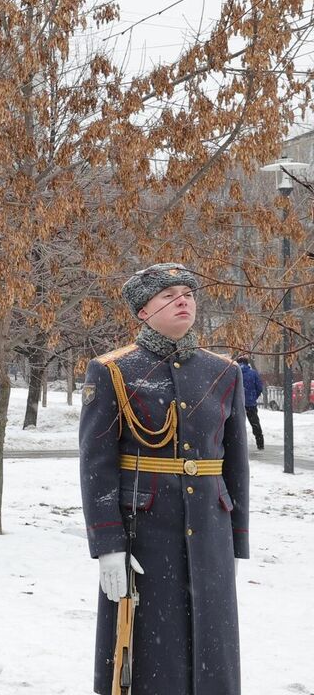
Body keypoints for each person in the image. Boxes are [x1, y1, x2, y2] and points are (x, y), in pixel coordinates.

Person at [79, 263, 247, 695]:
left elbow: (234, 461)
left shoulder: (223, 372)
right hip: (146, 532)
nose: (183, 300)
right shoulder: (113, 370)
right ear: (142, 311)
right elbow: (97, 463)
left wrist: (237, 537)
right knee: (149, 652)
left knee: (214, 646)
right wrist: (108, 545)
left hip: (210, 529)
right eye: (169, 294)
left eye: (189, 293)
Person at [238, 354, 265, 451]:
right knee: (255, 423)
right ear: (247, 363)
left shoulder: (235, 373)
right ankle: (260, 443)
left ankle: (237, 446)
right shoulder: (253, 373)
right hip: (250, 403)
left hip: (238, 404)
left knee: (237, 424)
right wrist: (253, 397)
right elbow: (259, 387)